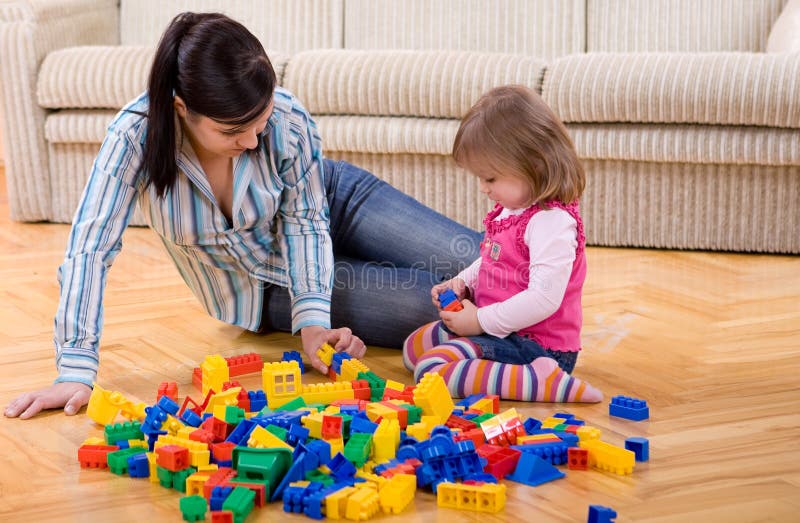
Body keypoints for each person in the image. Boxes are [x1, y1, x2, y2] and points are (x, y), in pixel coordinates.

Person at [4, 12, 480, 419]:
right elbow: (90, 250)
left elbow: (306, 219)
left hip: (335, 202)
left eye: (261, 120)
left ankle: (553, 316)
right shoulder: (134, 138)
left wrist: (314, 319)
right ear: (181, 108)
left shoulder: (286, 118)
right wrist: (75, 369)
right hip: (262, 283)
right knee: (442, 308)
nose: (253, 141)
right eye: (234, 130)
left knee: (480, 262)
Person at [403, 85, 603, 403]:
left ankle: (544, 379)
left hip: (535, 346)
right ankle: (505, 369)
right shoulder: (514, 207)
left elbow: (543, 299)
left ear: (534, 164)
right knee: (413, 349)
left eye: (490, 178)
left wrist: (478, 320)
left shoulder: (551, 222)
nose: (483, 188)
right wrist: (464, 281)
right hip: (501, 329)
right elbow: (495, 260)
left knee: (430, 371)